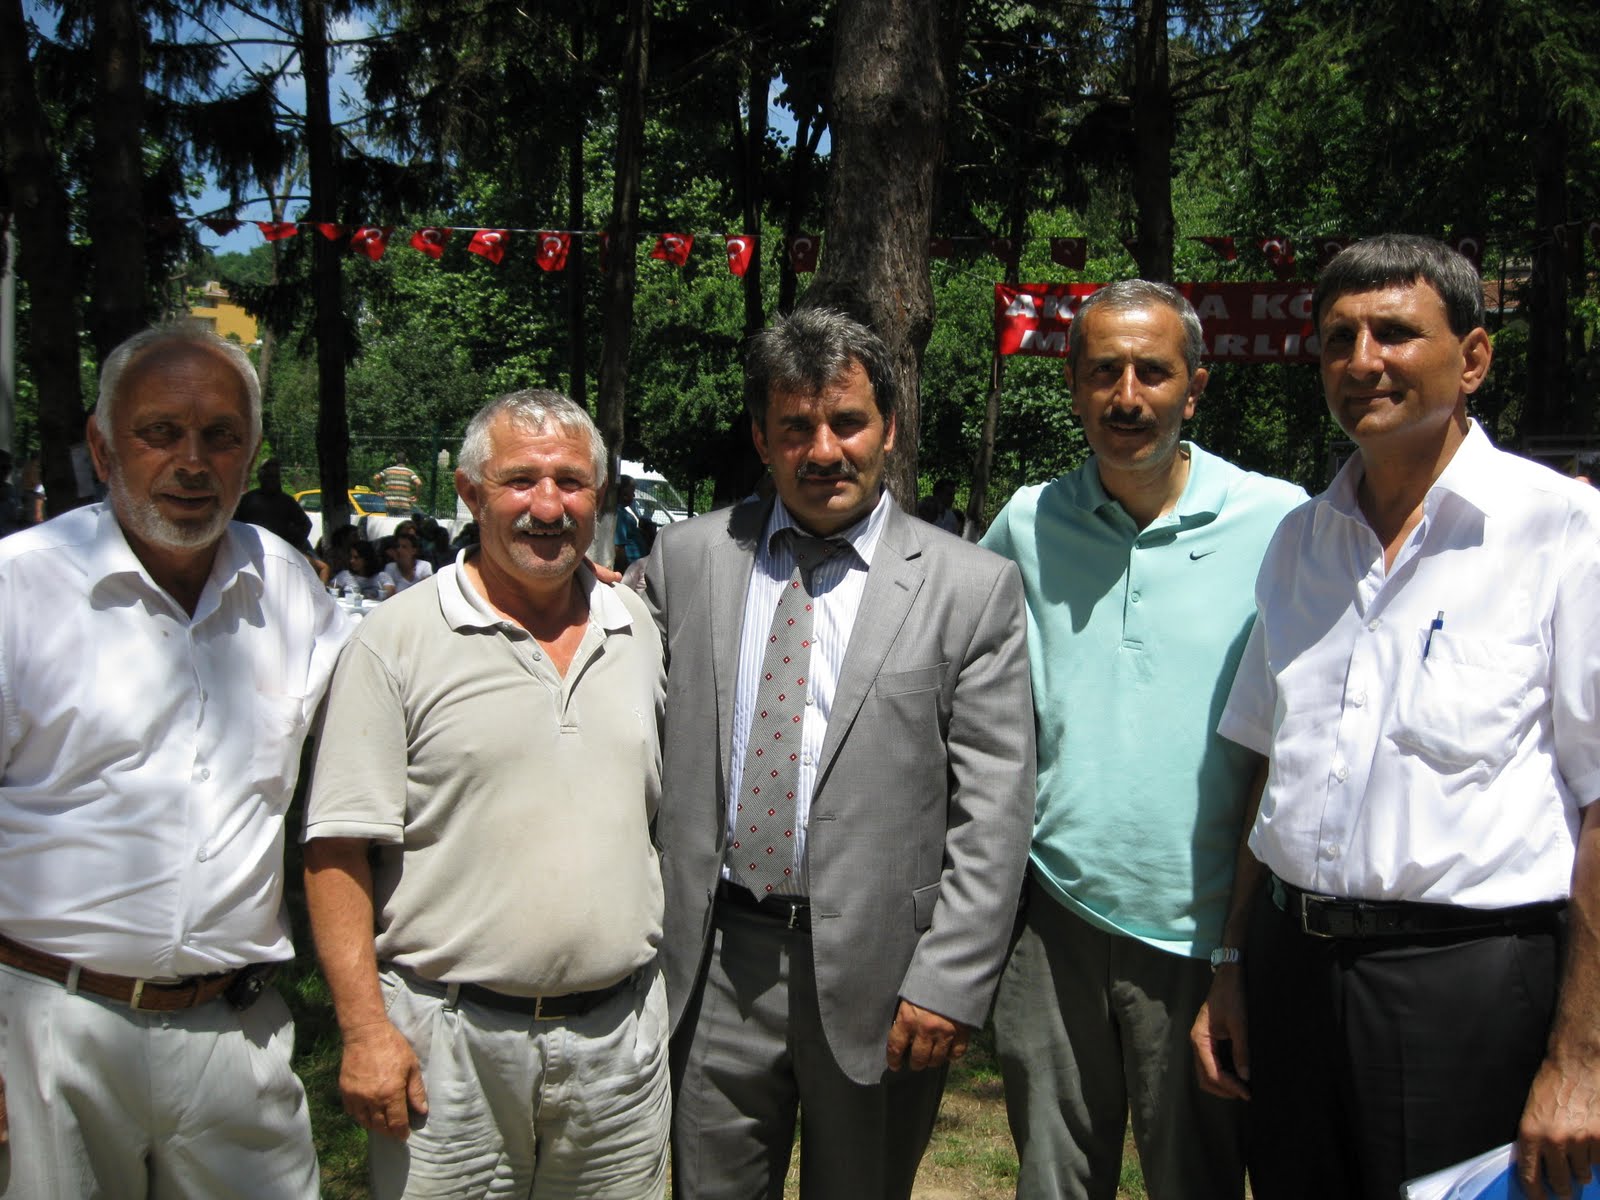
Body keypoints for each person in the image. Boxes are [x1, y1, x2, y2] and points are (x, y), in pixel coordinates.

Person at [1191, 235, 1600, 1200]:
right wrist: (1234, 962)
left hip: (1468, 987)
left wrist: (1582, 1055)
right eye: (1339, 339)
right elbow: (1269, 771)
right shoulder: (1300, 542)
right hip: (1293, 973)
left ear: (1473, 358)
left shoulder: (1563, 533)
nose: (1362, 360)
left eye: (1395, 333)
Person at [646, 306, 1036, 1199]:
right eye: (796, 427)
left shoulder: (971, 588)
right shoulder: (686, 559)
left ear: (889, 428)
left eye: (848, 423)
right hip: (716, 964)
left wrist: (949, 980)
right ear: (762, 438)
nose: (823, 451)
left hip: (885, 978)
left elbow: (996, 810)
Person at [0, 324, 348, 1197]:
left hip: (236, 1037)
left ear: (250, 454)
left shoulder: (287, 588)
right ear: (102, 447)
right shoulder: (19, 589)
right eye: (161, 432)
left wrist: (548, 592)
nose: (193, 462)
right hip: (48, 1030)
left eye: (220, 436)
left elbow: (397, 684)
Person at [303, 389, 670, 1199]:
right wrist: (363, 1030)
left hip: (620, 1051)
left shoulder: (636, 627)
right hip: (449, 1053)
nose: (549, 506)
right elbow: (336, 849)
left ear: (599, 496)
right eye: (520, 481)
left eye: (571, 482)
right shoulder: (394, 641)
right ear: (471, 494)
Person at [982, 279, 1305, 1200]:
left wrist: (1238, 947)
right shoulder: (1028, 523)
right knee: (1052, 1180)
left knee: (1196, 1180)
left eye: (1153, 373)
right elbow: (937, 639)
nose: (1127, 397)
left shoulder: (1280, 522)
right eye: (1103, 372)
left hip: (1208, 928)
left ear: (1194, 389)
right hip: (1052, 919)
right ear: (1074, 386)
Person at [235, 457, 314, 553]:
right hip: (252, 550)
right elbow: (234, 525)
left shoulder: (287, 502)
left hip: (280, 552)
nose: (272, 480)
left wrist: (291, 545)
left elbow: (305, 525)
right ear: (260, 477)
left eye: (275, 476)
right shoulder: (247, 500)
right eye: (269, 476)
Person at [614, 474, 649, 570]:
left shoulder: (622, 512)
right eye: (632, 492)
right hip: (631, 569)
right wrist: (623, 572)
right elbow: (618, 548)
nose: (633, 496)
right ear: (624, 492)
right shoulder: (619, 515)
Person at [372, 450, 422, 515]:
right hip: (404, 505)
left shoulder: (388, 470)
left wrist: (378, 491)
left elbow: (376, 478)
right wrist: (416, 496)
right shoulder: (410, 472)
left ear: (396, 460)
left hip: (390, 504)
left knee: (391, 521)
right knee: (403, 521)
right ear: (406, 460)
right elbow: (419, 483)